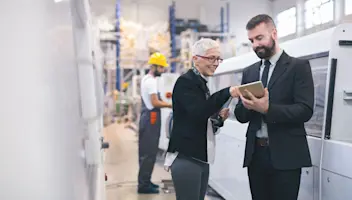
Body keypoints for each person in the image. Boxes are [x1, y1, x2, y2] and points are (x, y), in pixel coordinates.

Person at [234, 14, 314, 200]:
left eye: (259, 38)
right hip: (256, 155)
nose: (255, 45)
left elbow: (305, 109)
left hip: (286, 155)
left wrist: (267, 109)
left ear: (274, 34)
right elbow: (241, 116)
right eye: (251, 40)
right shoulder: (250, 72)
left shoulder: (298, 67)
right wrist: (248, 105)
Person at [165, 38, 240, 200]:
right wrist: (227, 92)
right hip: (186, 158)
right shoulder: (186, 82)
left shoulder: (201, 83)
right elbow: (199, 111)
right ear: (196, 59)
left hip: (200, 157)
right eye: (211, 58)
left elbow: (200, 121)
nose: (216, 63)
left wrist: (219, 119)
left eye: (218, 58)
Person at [137, 52, 172, 194]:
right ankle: (144, 185)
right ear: (155, 66)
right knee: (149, 153)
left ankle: (145, 181)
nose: (163, 70)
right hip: (151, 118)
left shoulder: (146, 79)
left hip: (148, 117)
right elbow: (155, 102)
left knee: (147, 152)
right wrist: (171, 105)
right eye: (162, 68)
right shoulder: (151, 81)